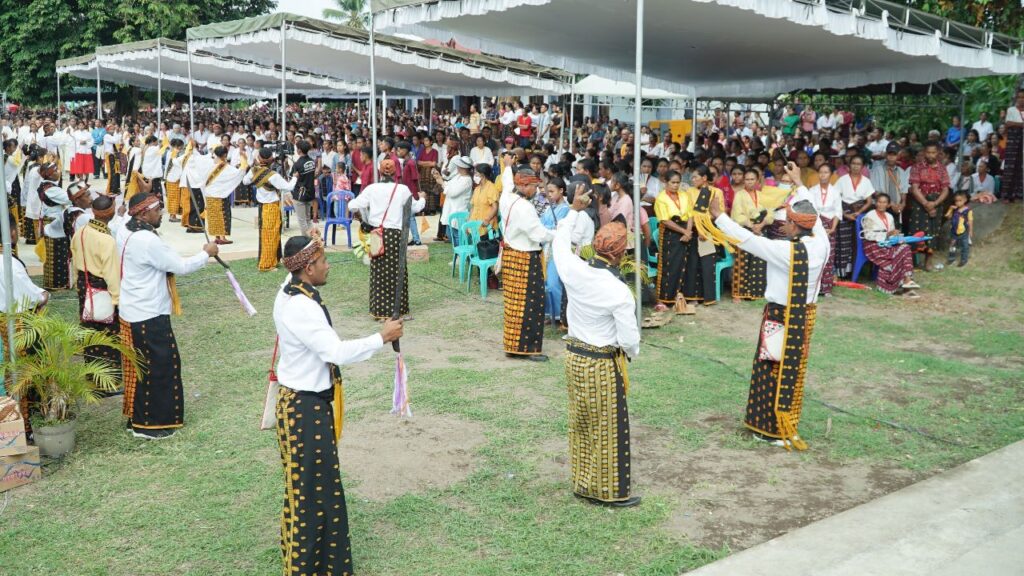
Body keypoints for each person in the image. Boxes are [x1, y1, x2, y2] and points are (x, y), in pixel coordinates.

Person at [272, 234, 404, 576]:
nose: (329, 265)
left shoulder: (290, 286)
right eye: (323, 261)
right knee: (314, 493)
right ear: (309, 268)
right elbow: (335, 352)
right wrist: (382, 337)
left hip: (302, 403)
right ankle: (308, 568)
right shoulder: (300, 306)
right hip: (305, 408)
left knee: (312, 488)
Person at [709, 162, 830, 450]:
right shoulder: (820, 241)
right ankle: (782, 422)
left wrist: (719, 217)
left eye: (786, 221)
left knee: (772, 369)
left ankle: (774, 428)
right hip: (805, 316)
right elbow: (814, 212)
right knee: (793, 370)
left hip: (781, 315)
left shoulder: (785, 251)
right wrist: (799, 183)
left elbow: (749, 241)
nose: (782, 224)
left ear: (794, 225)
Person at [553, 191, 640, 507]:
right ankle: (608, 493)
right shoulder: (618, 291)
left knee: (581, 422)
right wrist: (631, 352)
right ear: (619, 255)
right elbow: (629, 339)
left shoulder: (573, 269)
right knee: (607, 428)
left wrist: (573, 212)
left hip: (574, 357)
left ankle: (582, 482)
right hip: (602, 362)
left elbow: (559, 244)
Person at [119, 193, 218, 439]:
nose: (161, 212)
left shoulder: (124, 228)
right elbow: (180, 266)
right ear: (142, 214)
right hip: (148, 314)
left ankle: (138, 419)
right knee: (159, 368)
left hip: (134, 310)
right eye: (156, 209)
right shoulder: (146, 241)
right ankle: (149, 426)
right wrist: (207, 253)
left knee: (143, 369)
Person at [348, 159, 424, 319]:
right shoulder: (402, 189)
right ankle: (399, 311)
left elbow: (352, 205)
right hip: (395, 235)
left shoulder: (372, 189)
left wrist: (364, 213)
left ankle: (379, 311)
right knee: (398, 271)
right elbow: (416, 207)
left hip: (377, 233)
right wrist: (422, 198)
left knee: (378, 271)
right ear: (396, 172)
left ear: (380, 172)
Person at [499, 167, 552, 361]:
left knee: (513, 304)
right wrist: (559, 233)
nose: (536, 190)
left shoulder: (506, 198)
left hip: (511, 256)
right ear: (524, 185)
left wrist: (506, 165)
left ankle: (512, 345)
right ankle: (529, 348)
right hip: (525, 258)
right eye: (534, 186)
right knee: (531, 303)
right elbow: (538, 234)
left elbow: (506, 182)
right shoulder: (525, 207)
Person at [71, 195, 122, 372]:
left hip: (84, 285)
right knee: (108, 334)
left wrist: (79, 286)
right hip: (102, 288)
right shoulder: (106, 239)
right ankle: (109, 378)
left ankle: (92, 375)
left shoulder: (81, 232)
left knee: (89, 332)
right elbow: (111, 273)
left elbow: (74, 259)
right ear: (112, 213)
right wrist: (117, 299)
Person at [244, 148, 297, 271]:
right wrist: (294, 177)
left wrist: (256, 178)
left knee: (266, 234)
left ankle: (274, 259)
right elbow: (288, 187)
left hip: (262, 207)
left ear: (259, 159)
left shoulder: (254, 171)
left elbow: (245, 181)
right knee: (270, 235)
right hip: (271, 206)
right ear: (271, 160)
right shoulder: (273, 175)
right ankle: (267, 264)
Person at [681, 165, 725, 307]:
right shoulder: (689, 191)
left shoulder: (716, 192)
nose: (692, 180)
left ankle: (708, 297)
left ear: (704, 178)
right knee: (692, 264)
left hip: (710, 230)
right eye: (692, 177)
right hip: (693, 230)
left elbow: (718, 212)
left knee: (707, 263)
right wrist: (697, 227)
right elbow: (689, 212)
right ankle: (692, 297)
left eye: (695, 177)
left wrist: (704, 227)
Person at [861, 193, 920, 297]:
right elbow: (868, 235)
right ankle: (905, 285)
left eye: (884, 202)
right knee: (901, 253)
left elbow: (890, 235)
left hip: (886, 244)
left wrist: (896, 237)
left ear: (888, 205)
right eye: (879, 202)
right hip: (872, 245)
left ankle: (907, 281)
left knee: (905, 247)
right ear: (876, 203)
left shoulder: (889, 217)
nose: (881, 204)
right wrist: (887, 234)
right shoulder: (870, 215)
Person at [729, 168, 772, 302]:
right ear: (744, 180)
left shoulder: (762, 194)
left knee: (759, 260)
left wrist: (762, 224)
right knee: (743, 260)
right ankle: (739, 293)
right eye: (747, 179)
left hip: (761, 229)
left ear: (757, 180)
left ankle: (756, 292)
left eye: (752, 179)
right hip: (745, 230)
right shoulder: (739, 194)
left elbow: (770, 211)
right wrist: (752, 226)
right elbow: (737, 214)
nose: (749, 182)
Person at [908, 141, 951, 270]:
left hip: (937, 202)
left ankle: (928, 262)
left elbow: (945, 189)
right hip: (920, 202)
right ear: (924, 153)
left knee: (933, 233)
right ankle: (912, 263)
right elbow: (915, 188)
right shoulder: (917, 167)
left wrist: (935, 204)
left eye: (933, 152)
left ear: (938, 153)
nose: (930, 155)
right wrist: (926, 204)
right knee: (917, 232)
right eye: (928, 152)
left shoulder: (942, 169)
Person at [652, 170, 690, 311]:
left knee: (683, 264)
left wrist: (688, 231)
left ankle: (678, 296)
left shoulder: (684, 195)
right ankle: (663, 299)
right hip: (670, 233)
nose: (675, 185)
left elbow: (690, 214)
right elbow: (665, 220)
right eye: (672, 182)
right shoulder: (661, 198)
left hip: (685, 230)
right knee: (669, 265)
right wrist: (683, 231)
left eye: (677, 182)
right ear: (665, 182)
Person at [835, 155, 874, 277]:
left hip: (860, 213)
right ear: (849, 166)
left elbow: (869, 201)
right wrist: (845, 215)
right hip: (843, 211)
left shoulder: (866, 181)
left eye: (858, 164)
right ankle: (842, 272)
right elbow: (835, 200)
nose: (856, 166)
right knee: (843, 242)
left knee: (858, 242)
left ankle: (855, 270)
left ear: (862, 167)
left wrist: (858, 213)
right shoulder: (842, 180)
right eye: (853, 163)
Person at [37, 162, 74, 290]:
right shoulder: (51, 189)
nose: (58, 172)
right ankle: (57, 283)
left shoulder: (48, 186)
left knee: (56, 253)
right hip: (54, 224)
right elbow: (70, 198)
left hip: (53, 222)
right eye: (55, 170)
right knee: (57, 253)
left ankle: (56, 282)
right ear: (49, 174)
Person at [807, 163, 841, 297]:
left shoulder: (836, 191)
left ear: (831, 175)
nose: (823, 175)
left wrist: (832, 228)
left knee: (829, 255)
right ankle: (813, 287)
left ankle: (826, 288)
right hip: (815, 225)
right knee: (815, 255)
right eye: (820, 172)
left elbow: (838, 212)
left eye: (826, 172)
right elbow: (810, 210)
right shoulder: (812, 190)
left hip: (830, 226)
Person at [201, 145, 246, 245]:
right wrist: (243, 158)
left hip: (209, 194)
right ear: (225, 155)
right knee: (222, 215)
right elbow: (241, 172)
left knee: (213, 216)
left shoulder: (209, 164)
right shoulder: (227, 168)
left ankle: (216, 236)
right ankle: (222, 237)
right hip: (219, 195)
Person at [540, 178, 570, 325]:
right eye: (547, 192)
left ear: (561, 191)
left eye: (552, 191)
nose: (549, 195)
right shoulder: (548, 207)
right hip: (545, 247)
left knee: (553, 283)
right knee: (544, 281)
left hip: (557, 248)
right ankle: (548, 313)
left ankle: (559, 314)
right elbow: (541, 224)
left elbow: (555, 228)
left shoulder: (566, 209)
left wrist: (547, 228)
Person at [433, 156, 473, 243]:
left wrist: (442, 183)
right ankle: (460, 254)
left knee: (459, 237)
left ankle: (464, 255)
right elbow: (448, 184)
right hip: (451, 210)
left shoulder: (467, 180)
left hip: (459, 211)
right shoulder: (458, 176)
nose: (457, 167)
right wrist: (439, 178)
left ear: (463, 168)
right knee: (451, 235)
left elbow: (452, 193)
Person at [289, 139, 319, 234]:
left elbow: (292, 176)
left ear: (299, 150)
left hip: (299, 194)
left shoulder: (297, 164)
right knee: (307, 220)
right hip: (310, 193)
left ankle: (306, 241)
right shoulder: (312, 162)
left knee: (302, 221)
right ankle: (313, 240)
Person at [1001, 89, 1023, 202]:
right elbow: (1008, 123)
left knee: (1021, 167)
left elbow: (1013, 124)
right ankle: (1007, 195)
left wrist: (1017, 125)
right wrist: (1021, 124)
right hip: (1013, 143)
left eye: (1023, 97)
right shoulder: (1011, 110)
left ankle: (1019, 193)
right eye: (1019, 97)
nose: (1021, 99)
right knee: (1010, 167)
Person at [945, 191, 973, 268]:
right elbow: (948, 217)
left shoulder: (968, 210)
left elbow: (970, 221)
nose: (958, 203)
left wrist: (970, 231)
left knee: (964, 246)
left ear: (965, 200)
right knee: (952, 245)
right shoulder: (954, 209)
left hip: (963, 232)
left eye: (960, 200)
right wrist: (950, 209)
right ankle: (951, 258)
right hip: (954, 231)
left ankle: (964, 260)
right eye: (956, 201)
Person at [164, 139, 188, 223]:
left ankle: (172, 214)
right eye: (181, 146)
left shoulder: (169, 152)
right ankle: (172, 216)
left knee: (172, 198)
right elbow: (176, 164)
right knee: (174, 198)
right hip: (173, 178)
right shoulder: (174, 153)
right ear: (178, 146)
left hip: (170, 178)